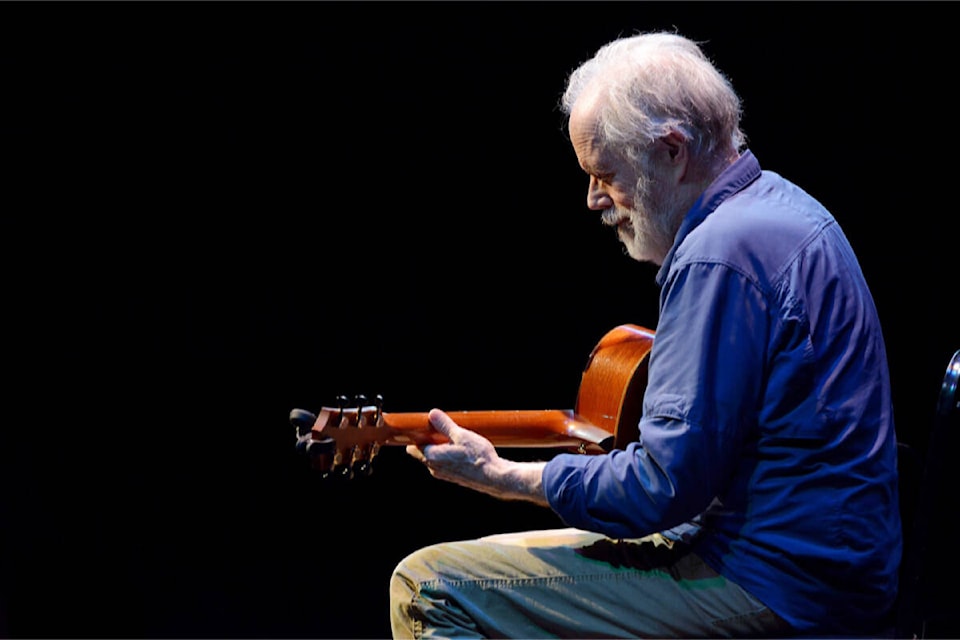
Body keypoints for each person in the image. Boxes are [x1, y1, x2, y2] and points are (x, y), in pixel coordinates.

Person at [389, 30, 901, 639]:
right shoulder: (786, 207)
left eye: (604, 173)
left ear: (672, 150)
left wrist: (503, 476)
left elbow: (660, 487)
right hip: (824, 566)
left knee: (429, 586)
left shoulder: (720, 255)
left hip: (776, 584)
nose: (592, 199)